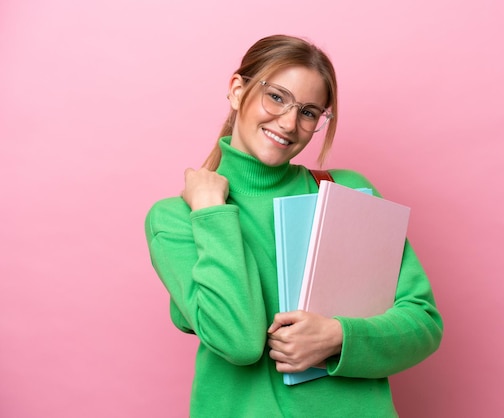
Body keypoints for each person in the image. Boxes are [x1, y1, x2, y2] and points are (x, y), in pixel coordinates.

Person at [145, 34, 443, 418]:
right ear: (238, 91)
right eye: (277, 97)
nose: (288, 123)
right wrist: (211, 212)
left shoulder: (344, 191)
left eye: (308, 112)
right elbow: (239, 341)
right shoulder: (178, 219)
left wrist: (337, 336)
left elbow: (423, 322)